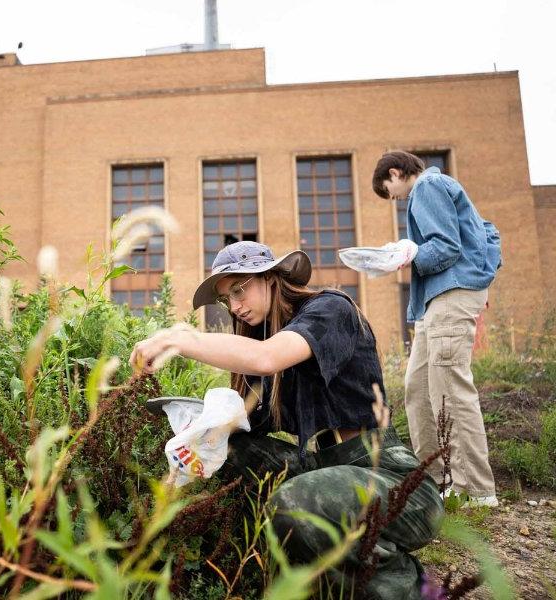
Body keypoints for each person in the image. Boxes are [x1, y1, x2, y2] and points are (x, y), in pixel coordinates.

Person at [131, 240, 443, 599]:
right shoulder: (267, 349)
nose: (234, 306)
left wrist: (180, 339)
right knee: (229, 444)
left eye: (239, 289)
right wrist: (185, 452)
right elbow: (240, 426)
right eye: (225, 300)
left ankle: (411, 589)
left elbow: (267, 357)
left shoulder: (330, 309)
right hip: (321, 468)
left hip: (391, 479)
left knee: (293, 503)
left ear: (270, 277)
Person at [372, 151, 502, 508]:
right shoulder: (443, 188)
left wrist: (407, 254)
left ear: (396, 173)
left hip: (449, 295)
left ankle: (475, 490)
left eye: (390, 191)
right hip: (440, 300)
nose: (394, 199)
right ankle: (437, 480)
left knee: (450, 389)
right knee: (418, 387)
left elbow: (444, 247)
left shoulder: (427, 186)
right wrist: (479, 278)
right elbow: (489, 233)